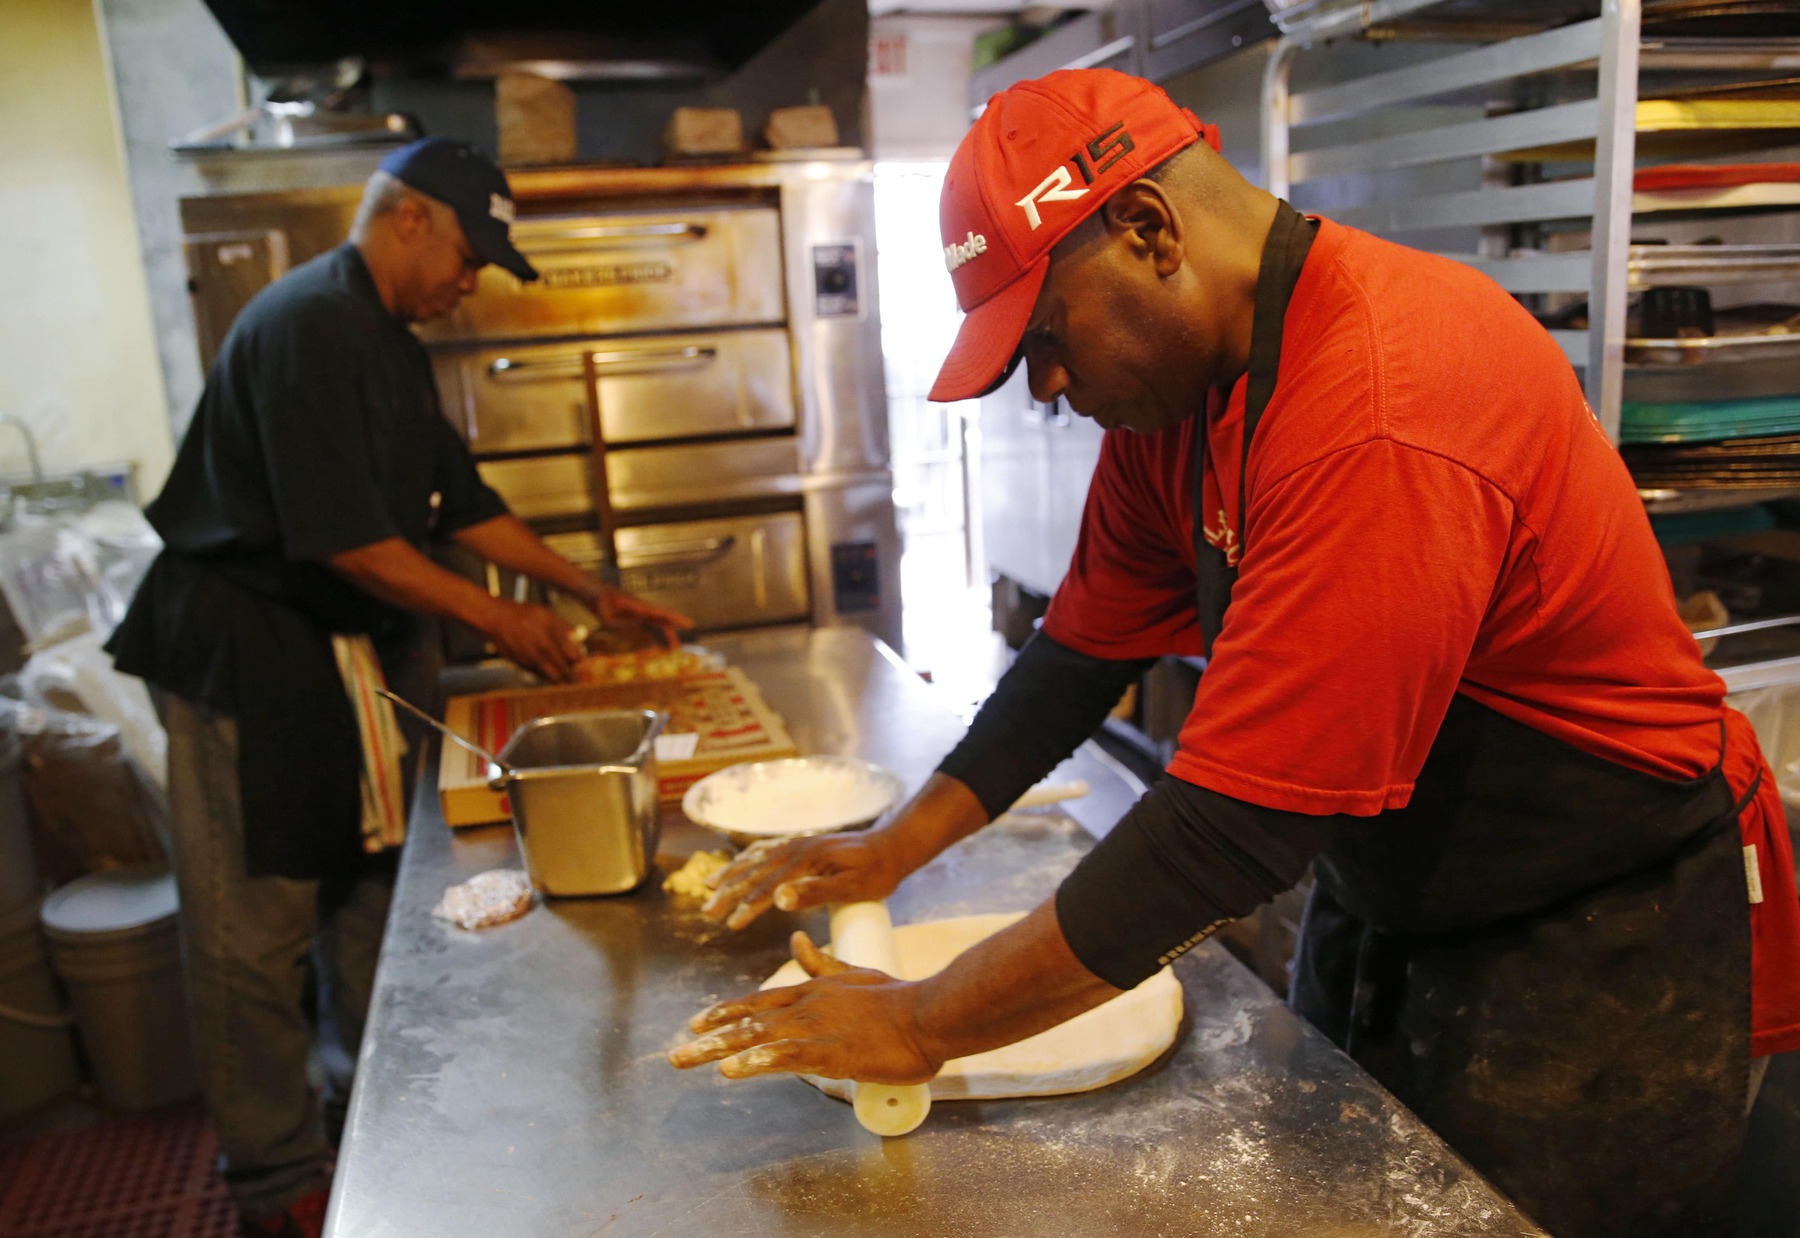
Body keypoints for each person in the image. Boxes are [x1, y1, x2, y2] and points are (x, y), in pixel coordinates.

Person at [670, 70, 1800, 1235]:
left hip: (1595, 942)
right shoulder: (1186, 399)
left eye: (1047, 337)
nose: (1049, 387)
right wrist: (890, 849)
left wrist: (921, 1023)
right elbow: (1077, 653)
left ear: (1148, 229)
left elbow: (1230, 828)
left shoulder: (1381, 406)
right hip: (1399, 899)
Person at [108, 137, 687, 1238]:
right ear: (409, 217)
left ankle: (362, 1110)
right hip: (247, 651)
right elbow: (348, 541)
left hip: (333, 651)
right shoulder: (306, 323)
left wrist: (588, 593)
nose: (469, 284)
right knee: (255, 927)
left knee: (364, 894)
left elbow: (462, 504)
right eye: (469, 257)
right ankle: (274, 1184)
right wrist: (501, 615)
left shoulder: (388, 339)